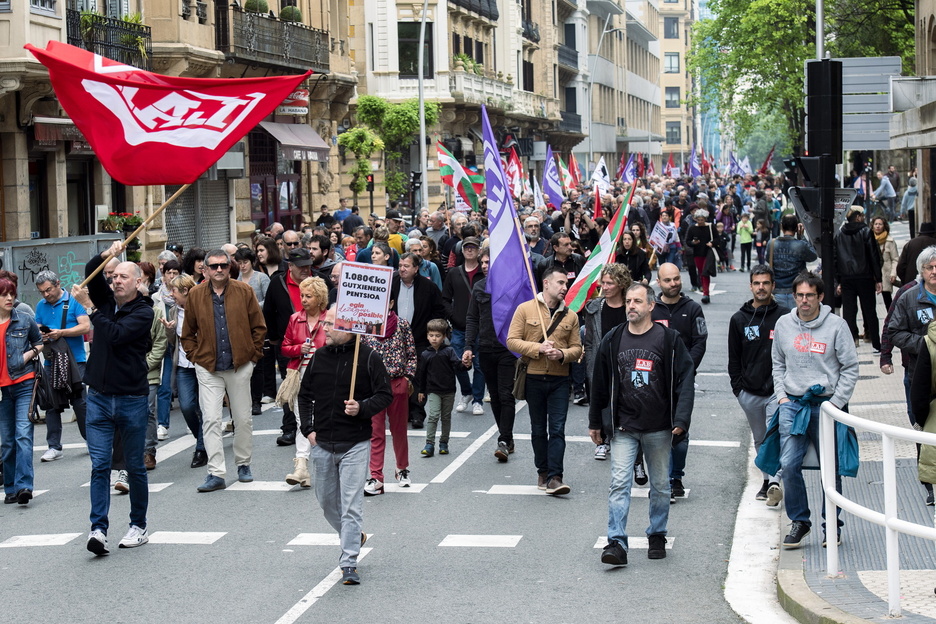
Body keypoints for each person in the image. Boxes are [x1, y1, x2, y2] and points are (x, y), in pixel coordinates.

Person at [589, 283, 695, 566]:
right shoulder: (613, 338)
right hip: (623, 427)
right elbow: (599, 382)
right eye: (628, 301)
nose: (631, 306)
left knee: (660, 486)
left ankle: (657, 534)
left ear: (651, 306)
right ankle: (616, 543)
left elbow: (685, 380)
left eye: (637, 301)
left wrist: (681, 419)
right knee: (619, 483)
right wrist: (596, 422)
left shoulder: (669, 339)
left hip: (659, 427)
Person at [70, 241, 154, 554]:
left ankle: (138, 525)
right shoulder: (106, 300)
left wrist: (90, 309)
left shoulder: (144, 312)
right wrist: (107, 253)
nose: (115, 280)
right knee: (100, 465)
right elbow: (90, 270)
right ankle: (98, 529)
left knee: (134, 466)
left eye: (122, 276)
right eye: (113, 276)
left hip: (131, 398)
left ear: (137, 282)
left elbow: (116, 335)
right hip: (99, 397)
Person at [298, 305, 392, 585]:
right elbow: (304, 395)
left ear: (348, 328)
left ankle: (349, 561)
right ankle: (354, 536)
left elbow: (384, 395)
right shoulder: (319, 357)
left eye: (329, 324)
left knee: (351, 505)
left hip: (355, 444)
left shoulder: (369, 357)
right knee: (327, 502)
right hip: (322, 444)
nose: (324, 328)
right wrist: (308, 430)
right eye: (324, 323)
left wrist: (361, 407)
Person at [773, 271, 859, 549]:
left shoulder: (837, 326)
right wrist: (781, 397)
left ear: (820, 296)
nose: (804, 300)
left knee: (830, 468)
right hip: (793, 404)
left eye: (810, 295)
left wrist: (835, 403)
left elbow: (850, 368)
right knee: (788, 464)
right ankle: (800, 521)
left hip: (826, 405)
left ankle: (832, 525)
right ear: (794, 296)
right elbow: (777, 363)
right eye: (800, 295)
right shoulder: (784, 324)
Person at [181, 249, 266, 493]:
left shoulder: (244, 291)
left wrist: (252, 358)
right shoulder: (195, 294)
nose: (219, 269)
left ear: (230, 267)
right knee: (210, 419)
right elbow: (187, 333)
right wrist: (196, 358)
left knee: (242, 418)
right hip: (208, 367)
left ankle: (243, 464)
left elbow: (259, 328)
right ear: (205, 270)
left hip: (239, 365)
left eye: (223, 265)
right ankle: (216, 472)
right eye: (214, 266)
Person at [506, 266, 583, 496]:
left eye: (566, 283)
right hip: (534, 377)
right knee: (538, 429)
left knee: (557, 429)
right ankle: (543, 470)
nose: (565, 287)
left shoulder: (570, 315)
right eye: (560, 282)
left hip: (560, 380)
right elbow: (512, 340)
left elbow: (577, 348)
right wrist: (537, 348)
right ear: (546, 283)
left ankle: (555, 477)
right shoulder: (525, 309)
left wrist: (561, 354)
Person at [728, 265, 789, 505]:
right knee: (760, 438)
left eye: (765, 283)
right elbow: (734, 359)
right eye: (757, 283)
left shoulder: (785, 317)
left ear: (773, 286)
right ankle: (767, 479)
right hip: (749, 392)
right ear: (751, 286)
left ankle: (773, 482)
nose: (761, 287)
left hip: (778, 390)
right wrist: (739, 391)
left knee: (776, 434)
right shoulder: (739, 319)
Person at [652, 263, 707, 502]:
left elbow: (700, 341)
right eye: (667, 280)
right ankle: (661, 478)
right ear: (658, 282)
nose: (673, 283)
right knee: (657, 431)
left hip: (683, 381)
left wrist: (687, 368)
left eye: (676, 279)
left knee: (680, 432)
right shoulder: (652, 309)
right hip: (655, 381)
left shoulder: (693, 308)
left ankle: (676, 477)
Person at [464, 247, 518, 462]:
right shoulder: (479, 287)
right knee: (495, 396)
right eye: (483, 262)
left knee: (506, 394)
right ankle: (508, 437)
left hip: (507, 348)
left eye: (488, 262)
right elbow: (472, 318)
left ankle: (503, 440)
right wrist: (468, 346)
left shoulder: (513, 285)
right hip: (485, 348)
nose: (485, 266)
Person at [34, 270, 90, 462]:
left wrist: (61, 332)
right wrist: (42, 335)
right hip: (51, 360)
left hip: (76, 360)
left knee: (80, 403)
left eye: (48, 289)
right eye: (42, 292)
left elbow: (85, 327)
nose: (46, 294)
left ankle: (91, 440)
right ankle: (54, 446)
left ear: (58, 283)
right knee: (51, 404)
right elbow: (37, 328)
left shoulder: (74, 301)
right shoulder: (41, 306)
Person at [279, 277, 329, 488]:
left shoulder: (330, 319)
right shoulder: (295, 319)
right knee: (303, 421)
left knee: (321, 419)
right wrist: (299, 349)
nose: (304, 300)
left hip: (325, 376)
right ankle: (301, 466)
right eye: (302, 295)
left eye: (309, 296)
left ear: (320, 298)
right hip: (299, 376)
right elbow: (284, 347)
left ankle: (314, 467)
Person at [362, 309, 417, 496]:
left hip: (397, 383)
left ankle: (402, 468)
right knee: (375, 432)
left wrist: (407, 378)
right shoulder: (365, 325)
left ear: (391, 303)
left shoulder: (402, 324)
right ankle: (376, 476)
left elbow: (411, 353)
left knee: (399, 430)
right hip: (373, 386)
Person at [263, 247, 314, 445]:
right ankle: (290, 428)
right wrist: (274, 337)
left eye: (308, 265)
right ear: (290, 266)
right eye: (301, 266)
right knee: (290, 384)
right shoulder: (278, 283)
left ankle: (315, 425)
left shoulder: (318, 280)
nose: (305, 270)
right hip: (289, 343)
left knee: (316, 383)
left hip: (316, 342)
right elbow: (268, 311)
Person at [582, 264, 632, 461]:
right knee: (600, 401)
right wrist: (591, 368)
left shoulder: (631, 307)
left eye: (610, 283)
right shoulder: (594, 308)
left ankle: (624, 439)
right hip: (602, 363)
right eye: (603, 282)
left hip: (626, 363)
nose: (605, 287)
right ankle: (602, 441)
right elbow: (589, 342)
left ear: (621, 284)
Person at [0, 277, 43, 505]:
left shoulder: (24, 318)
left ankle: (24, 486)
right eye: (4, 295)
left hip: (24, 383)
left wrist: (27, 355)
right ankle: (10, 487)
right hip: (1, 391)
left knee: (23, 434)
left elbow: (39, 342)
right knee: (7, 441)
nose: (9, 298)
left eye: (12, 294)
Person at [161, 274, 208, 469]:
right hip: (183, 365)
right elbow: (173, 342)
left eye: (174, 290)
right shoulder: (173, 311)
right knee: (187, 406)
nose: (171, 294)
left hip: (204, 364)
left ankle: (201, 449)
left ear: (185, 291)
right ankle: (202, 438)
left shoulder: (202, 307)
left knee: (205, 407)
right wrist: (169, 330)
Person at [442, 236, 487, 414]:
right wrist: (453, 317)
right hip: (459, 327)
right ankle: (466, 392)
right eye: (467, 247)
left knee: (479, 365)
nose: (470, 250)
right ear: (462, 250)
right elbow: (445, 299)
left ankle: (478, 400)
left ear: (479, 251)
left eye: (473, 247)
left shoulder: (485, 272)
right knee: (458, 363)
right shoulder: (454, 273)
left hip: (481, 327)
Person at [834, 206, 883, 353]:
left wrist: (838, 280)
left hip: (846, 277)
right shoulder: (866, 231)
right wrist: (878, 278)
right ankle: (876, 342)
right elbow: (873, 256)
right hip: (865, 276)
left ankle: (852, 339)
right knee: (870, 310)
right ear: (857, 217)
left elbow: (835, 259)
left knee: (849, 311)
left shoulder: (839, 234)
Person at [416, 319, 468, 457]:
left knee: (446, 417)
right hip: (433, 390)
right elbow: (422, 374)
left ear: (444, 336)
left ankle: (444, 442)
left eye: (438, 336)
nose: (434, 338)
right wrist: (421, 391)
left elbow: (458, 365)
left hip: (449, 390)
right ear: (427, 336)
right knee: (433, 415)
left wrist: (466, 364)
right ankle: (429, 443)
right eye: (431, 335)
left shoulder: (449, 351)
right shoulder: (425, 354)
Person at [765, 215, 818, 310]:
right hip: (797, 290)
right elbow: (813, 256)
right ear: (796, 228)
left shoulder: (772, 244)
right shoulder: (801, 245)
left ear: (781, 227)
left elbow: (768, 259)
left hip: (777, 290)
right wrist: (802, 237)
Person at [685, 209, 714, 304]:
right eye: (698, 220)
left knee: (705, 272)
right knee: (701, 272)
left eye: (702, 219)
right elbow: (687, 241)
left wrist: (712, 243)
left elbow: (717, 239)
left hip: (709, 252)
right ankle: (705, 291)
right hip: (697, 253)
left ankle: (706, 294)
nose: (700, 221)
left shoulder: (710, 227)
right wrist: (693, 243)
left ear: (705, 219)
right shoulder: (692, 228)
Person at [871, 217, 899, 311]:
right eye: (876, 224)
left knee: (888, 301)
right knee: (870, 302)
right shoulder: (868, 239)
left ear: (884, 226)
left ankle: (891, 318)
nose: (878, 226)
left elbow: (895, 259)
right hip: (871, 275)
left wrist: (893, 274)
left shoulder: (890, 241)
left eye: (880, 224)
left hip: (885, 274)